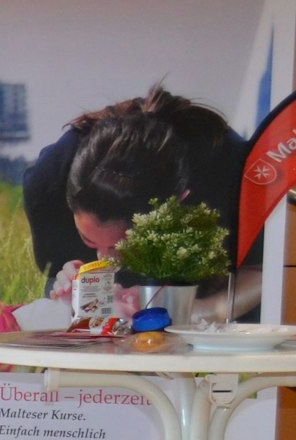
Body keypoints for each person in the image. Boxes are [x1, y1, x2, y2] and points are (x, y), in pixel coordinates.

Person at [22, 85, 258, 321]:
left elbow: (267, 272)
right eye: (89, 239)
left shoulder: (235, 173)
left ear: (178, 200)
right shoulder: (48, 182)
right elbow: (64, 277)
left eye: (120, 245)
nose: (105, 258)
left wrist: (201, 311)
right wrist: (70, 281)